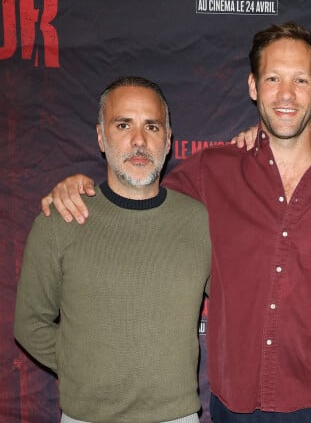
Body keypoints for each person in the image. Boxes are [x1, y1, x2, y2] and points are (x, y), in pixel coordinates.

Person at [40, 23, 311, 422]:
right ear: (253, 86)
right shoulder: (211, 171)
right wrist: (78, 188)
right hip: (235, 403)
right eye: (273, 78)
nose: (286, 95)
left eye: (300, 80)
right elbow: (135, 198)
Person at [15, 76, 211, 423]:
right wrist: (82, 369)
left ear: (168, 140)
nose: (139, 140)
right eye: (123, 125)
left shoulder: (199, 221)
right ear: (101, 137)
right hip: (85, 417)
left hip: (177, 417)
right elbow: (29, 324)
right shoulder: (60, 219)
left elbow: (242, 309)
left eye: (152, 126)